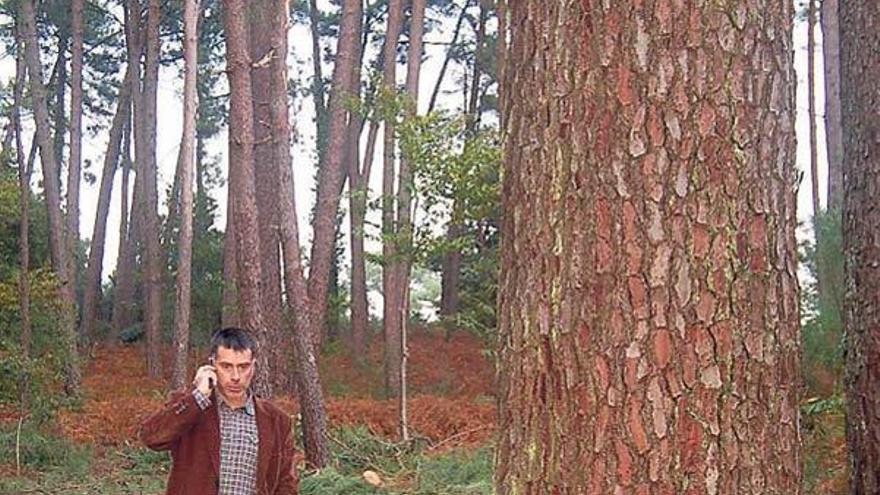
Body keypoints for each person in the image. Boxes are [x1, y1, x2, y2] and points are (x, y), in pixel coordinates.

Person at [140, 327, 297, 495]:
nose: (236, 377)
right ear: (212, 365)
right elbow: (151, 437)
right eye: (226, 366)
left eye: (243, 367)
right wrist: (197, 397)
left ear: (254, 366)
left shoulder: (276, 420)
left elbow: (286, 482)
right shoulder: (193, 407)